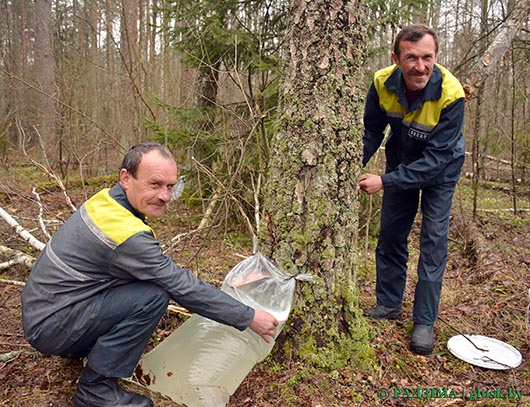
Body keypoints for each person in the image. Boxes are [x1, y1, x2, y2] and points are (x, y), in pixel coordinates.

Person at [21, 142, 279, 407]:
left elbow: (145, 271)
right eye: (155, 184)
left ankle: (83, 349)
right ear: (125, 178)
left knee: (148, 287)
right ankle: (95, 391)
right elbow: (177, 284)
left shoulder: (108, 202)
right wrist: (248, 316)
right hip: (51, 325)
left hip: (46, 310)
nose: (165, 196)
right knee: (152, 296)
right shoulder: (127, 235)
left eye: (170, 186)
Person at [359, 24, 465, 355]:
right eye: (411, 58)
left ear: (436, 56)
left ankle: (424, 322)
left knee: (433, 242)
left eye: (427, 57)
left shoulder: (451, 93)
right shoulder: (381, 83)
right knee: (390, 235)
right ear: (396, 57)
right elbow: (373, 131)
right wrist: (351, 165)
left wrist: (384, 181)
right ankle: (388, 305)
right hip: (400, 160)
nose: (419, 66)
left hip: (440, 171)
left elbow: (435, 161)